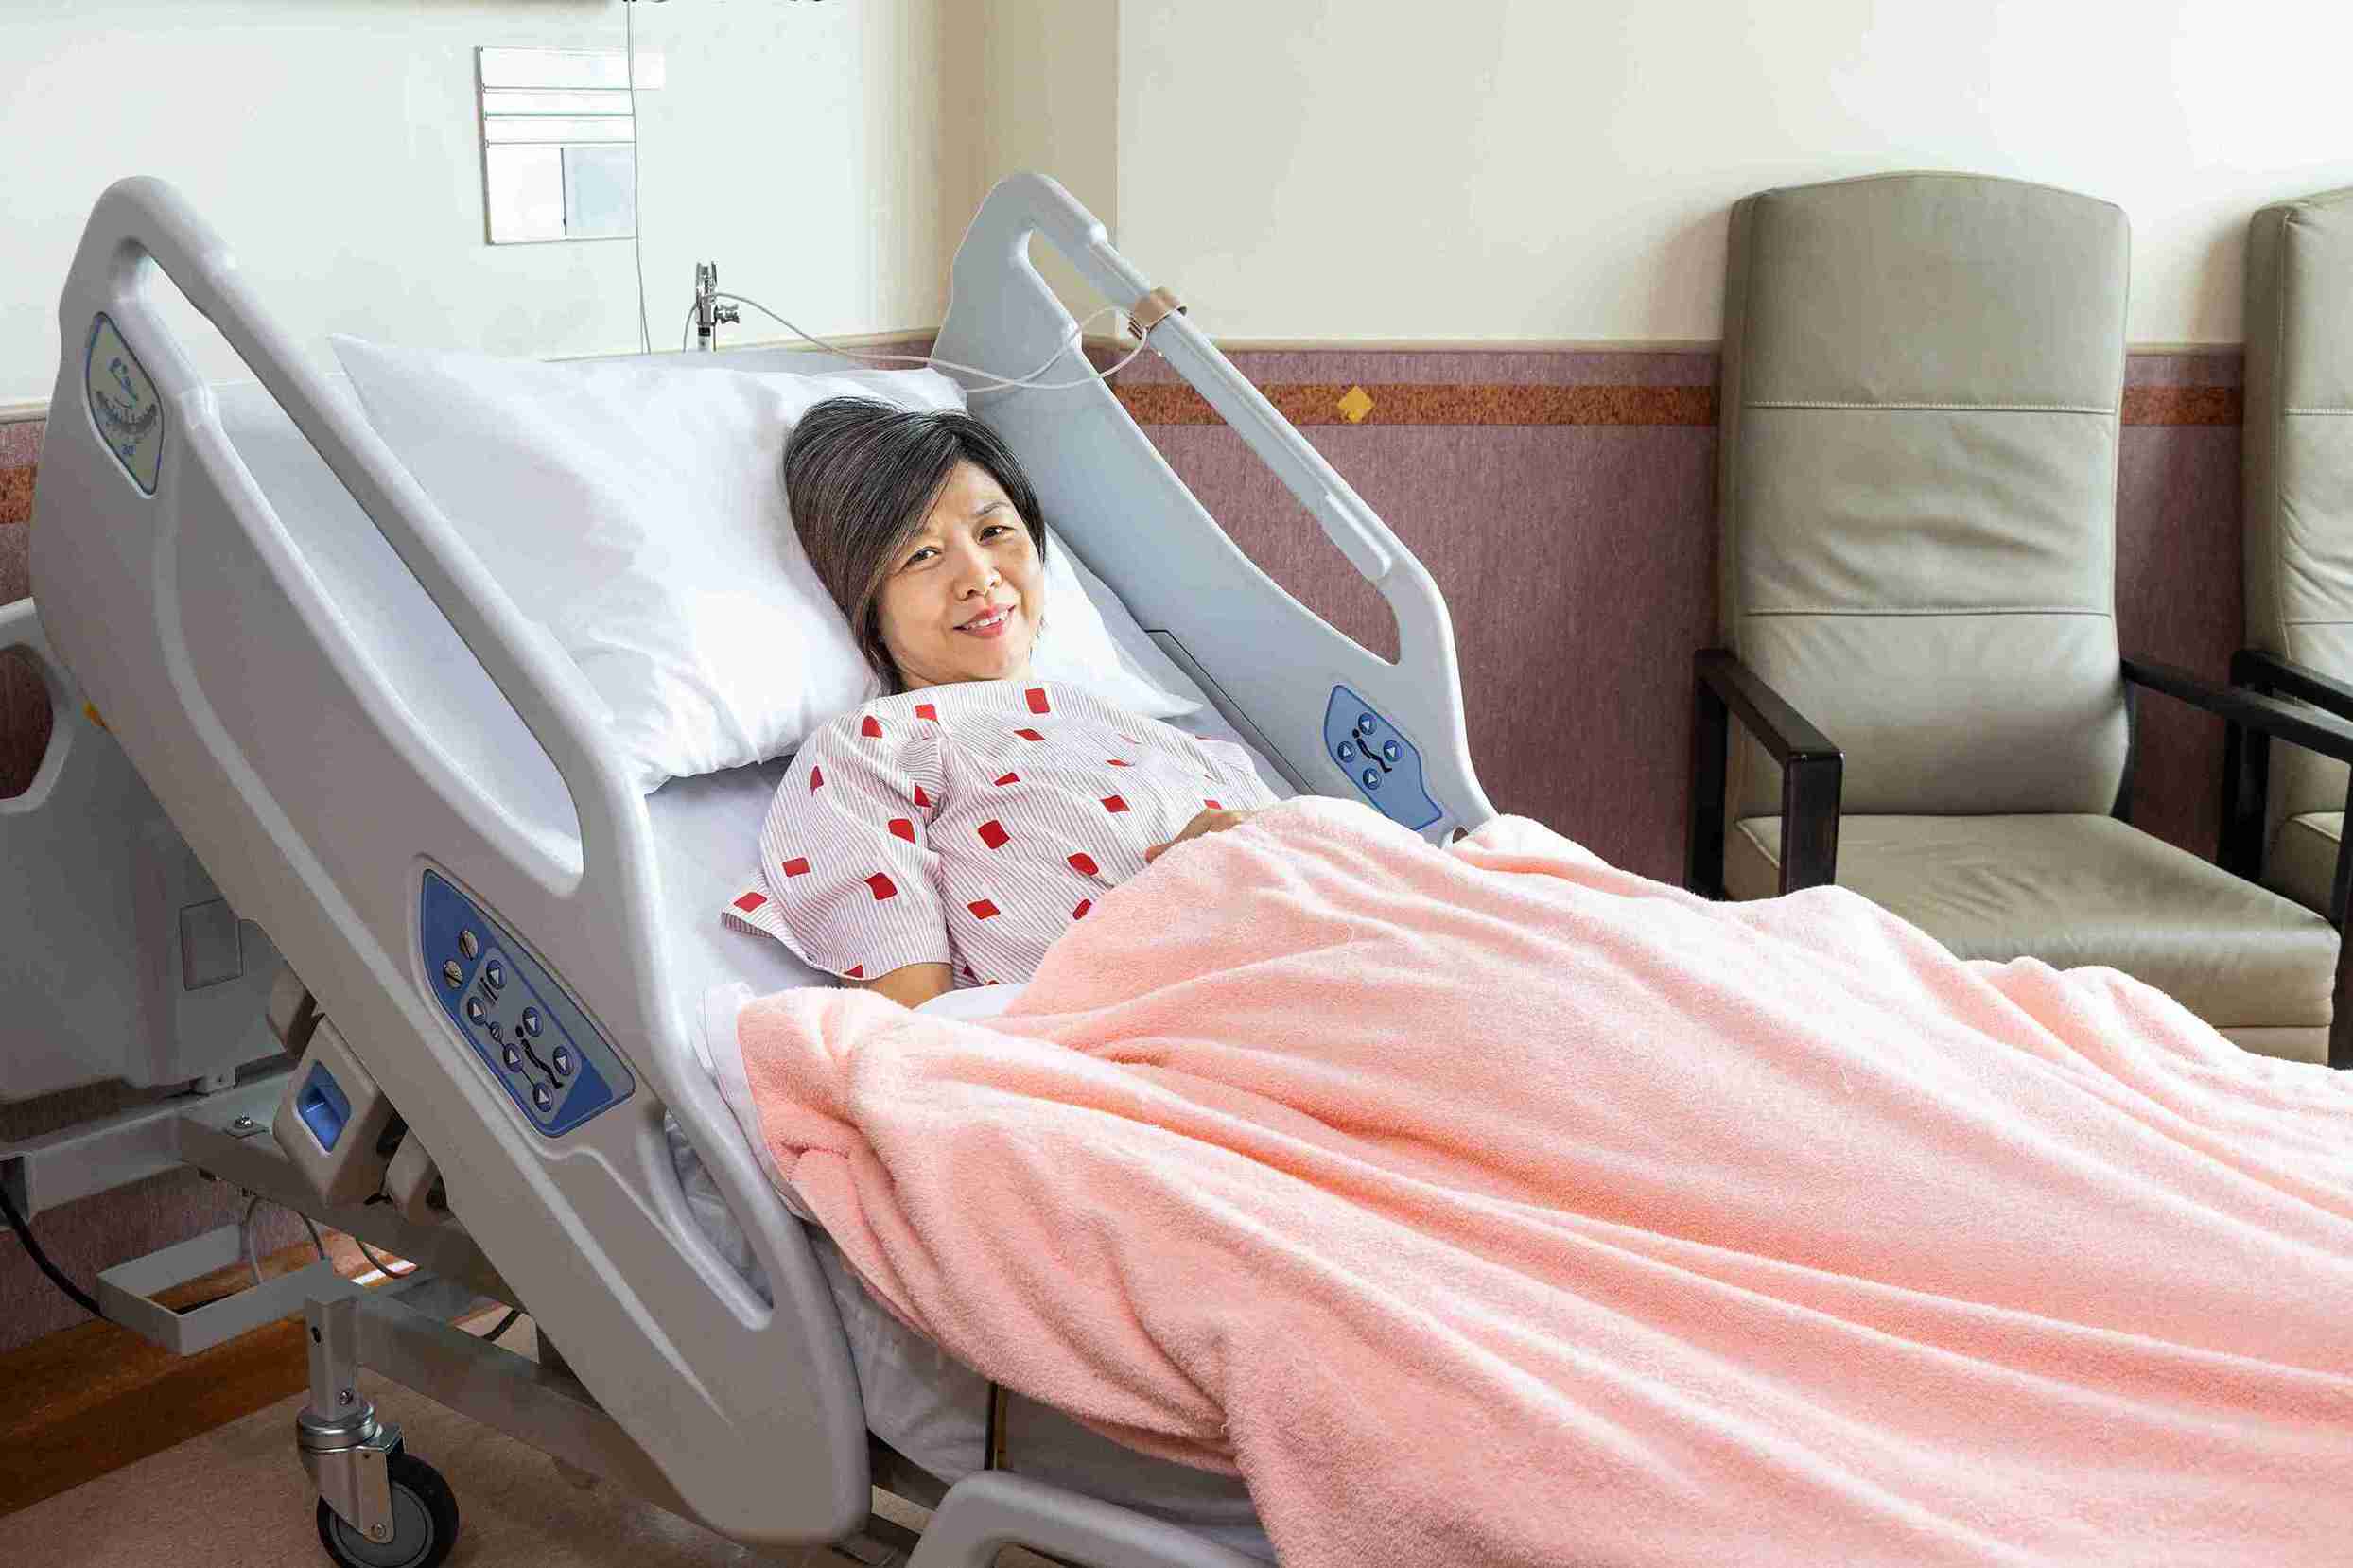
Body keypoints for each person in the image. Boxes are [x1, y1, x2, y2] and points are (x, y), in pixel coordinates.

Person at [723, 398, 1281, 1009]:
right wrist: (1172, 906)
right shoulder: (873, 750)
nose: (980, 576)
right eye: (921, 555)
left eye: (993, 532)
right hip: (1184, 1021)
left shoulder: (1172, 741)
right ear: (865, 596)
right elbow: (917, 1022)